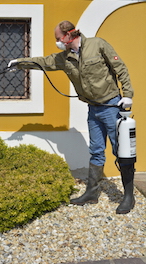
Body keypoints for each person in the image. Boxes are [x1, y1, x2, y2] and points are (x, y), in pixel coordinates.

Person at [8, 20, 135, 214]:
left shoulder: (97, 45)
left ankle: (128, 196)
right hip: (93, 110)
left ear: (69, 36)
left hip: (111, 106)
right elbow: (44, 62)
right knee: (96, 150)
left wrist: (127, 95)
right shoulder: (64, 58)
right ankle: (91, 194)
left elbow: (120, 68)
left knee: (121, 149)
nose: (57, 42)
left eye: (58, 38)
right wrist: (19, 63)